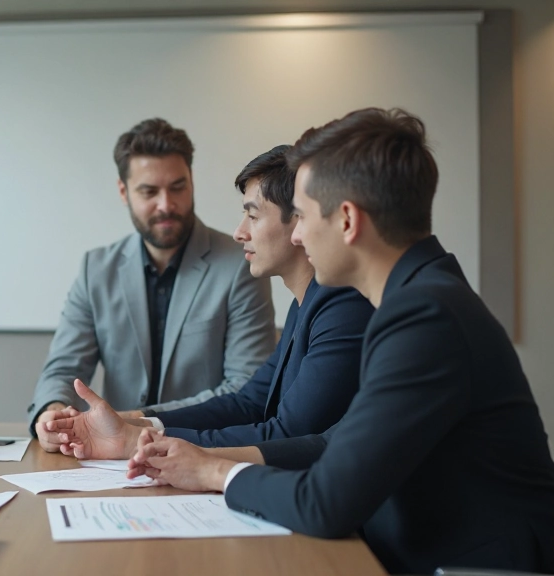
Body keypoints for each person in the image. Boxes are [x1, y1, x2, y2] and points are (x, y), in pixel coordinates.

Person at [128, 108, 554, 574]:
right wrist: (187, 454)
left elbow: (325, 503)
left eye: (305, 216)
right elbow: (333, 445)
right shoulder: (418, 299)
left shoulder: (424, 316)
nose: (297, 234)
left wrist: (211, 472)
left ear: (347, 220)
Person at [37, 146, 373, 457]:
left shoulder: (340, 304)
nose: (240, 232)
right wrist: (131, 423)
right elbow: (248, 402)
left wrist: (137, 441)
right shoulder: (306, 304)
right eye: (149, 191)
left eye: (252, 216)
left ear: (300, 220)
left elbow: (289, 432)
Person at [28, 118, 277, 437]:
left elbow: (245, 387)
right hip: (114, 463)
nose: (166, 205)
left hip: (206, 447)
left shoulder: (240, 263)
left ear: (192, 182)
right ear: (123, 191)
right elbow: (63, 369)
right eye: (149, 191)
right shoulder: (96, 269)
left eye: (178, 187)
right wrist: (52, 413)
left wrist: (134, 420)